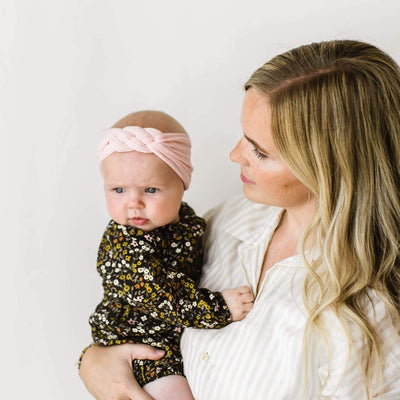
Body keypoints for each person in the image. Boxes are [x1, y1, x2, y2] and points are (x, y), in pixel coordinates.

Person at [79, 41, 400, 399]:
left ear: (328, 167)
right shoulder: (220, 224)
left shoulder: (370, 318)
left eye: (259, 151)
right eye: (244, 137)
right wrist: (94, 363)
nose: (234, 155)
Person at [83, 110, 254, 400]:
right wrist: (220, 307)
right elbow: (163, 295)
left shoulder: (189, 222)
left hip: (170, 338)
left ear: (182, 184)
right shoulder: (126, 245)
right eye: (118, 190)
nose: (133, 204)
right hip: (137, 342)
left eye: (150, 190)